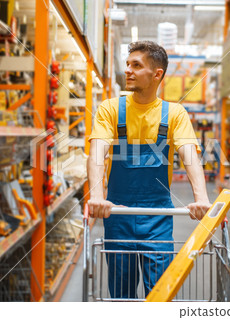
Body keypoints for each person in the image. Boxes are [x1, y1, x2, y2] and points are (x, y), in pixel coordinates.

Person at [87, 41, 212, 299]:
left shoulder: (174, 114)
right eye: (128, 65)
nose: (128, 71)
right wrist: (97, 196)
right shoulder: (110, 109)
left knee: (160, 295)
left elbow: (190, 157)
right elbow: (97, 152)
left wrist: (202, 200)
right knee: (121, 294)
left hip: (157, 218)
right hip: (118, 215)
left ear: (157, 74)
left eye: (136, 65)